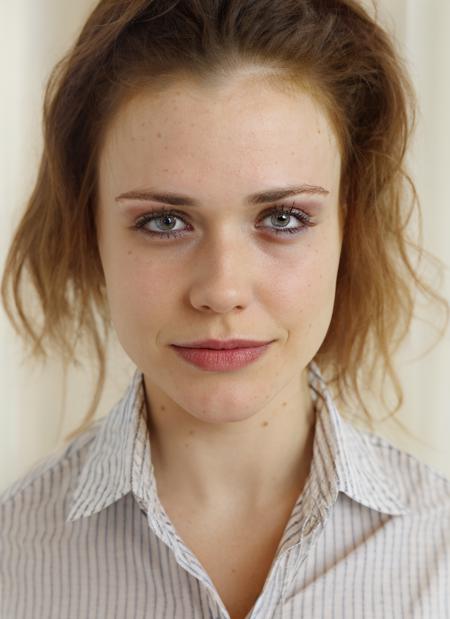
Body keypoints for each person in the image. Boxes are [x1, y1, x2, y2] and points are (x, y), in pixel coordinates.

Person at [1, 0, 449, 617]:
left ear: (350, 227)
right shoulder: (11, 556)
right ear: (91, 230)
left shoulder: (439, 555)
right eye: (164, 221)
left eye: (283, 218)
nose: (221, 288)